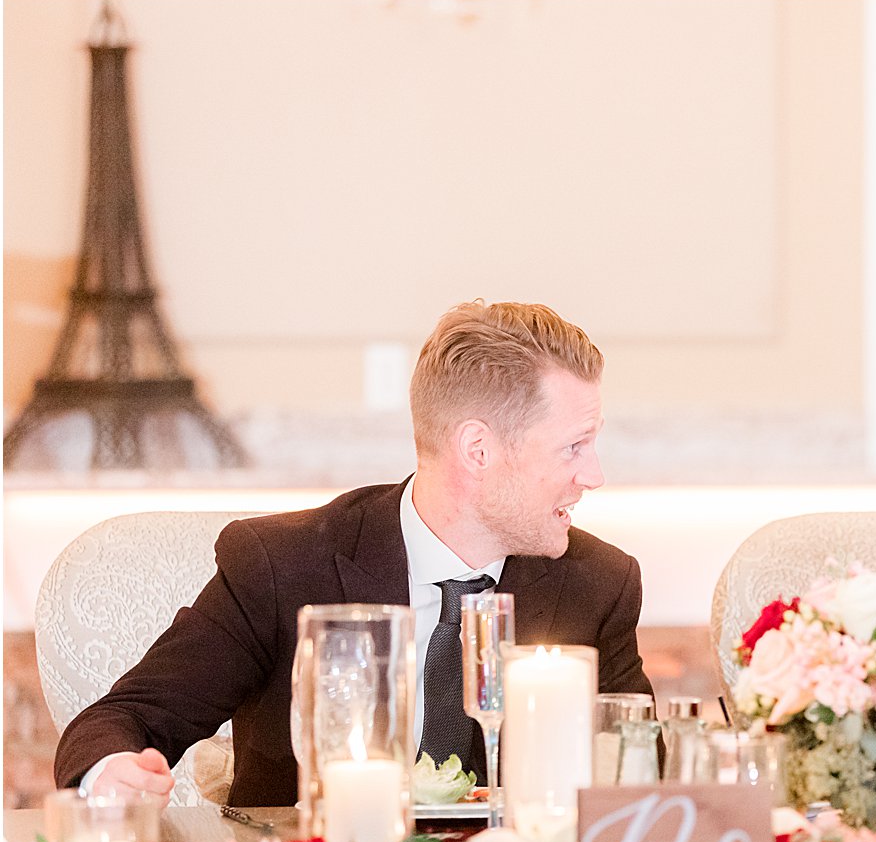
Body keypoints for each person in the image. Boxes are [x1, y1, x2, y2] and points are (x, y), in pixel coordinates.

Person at [53, 301, 654, 806]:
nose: (594, 474)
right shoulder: (282, 566)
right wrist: (111, 773)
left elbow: (642, 779)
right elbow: (127, 718)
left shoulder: (597, 585)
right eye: (574, 447)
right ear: (477, 449)